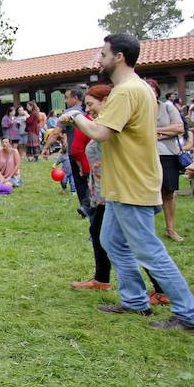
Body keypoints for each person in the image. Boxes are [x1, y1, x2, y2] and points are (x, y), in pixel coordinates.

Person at [58, 33, 194, 334]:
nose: (101, 58)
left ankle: (190, 314)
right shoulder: (139, 88)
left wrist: (75, 116)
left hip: (133, 184)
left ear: (119, 56)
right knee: (112, 241)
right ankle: (135, 300)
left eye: (104, 53)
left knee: (149, 250)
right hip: (126, 183)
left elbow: (101, 132)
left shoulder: (126, 92)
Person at [71, 84, 114, 291]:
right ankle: (101, 279)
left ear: (105, 101)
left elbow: (97, 135)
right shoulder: (99, 123)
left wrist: (75, 117)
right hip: (100, 191)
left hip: (114, 190)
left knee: (137, 243)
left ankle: (161, 290)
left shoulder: (111, 125)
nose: (87, 109)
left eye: (90, 104)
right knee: (98, 233)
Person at [147, 80, 185, 242]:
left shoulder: (168, 107)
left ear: (157, 92)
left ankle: (170, 229)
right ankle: (148, 232)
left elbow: (179, 128)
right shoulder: (141, 109)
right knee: (148, 194)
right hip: (147, 155)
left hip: (167, 154)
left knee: (168, 192)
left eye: (152, 90)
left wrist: (155, 131)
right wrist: (165, 132)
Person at [43, 88, 90, 214]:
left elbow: (55, 132)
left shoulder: (69, 113)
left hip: (75, 151)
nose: (65, 100)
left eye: (67, 97)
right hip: (92, 150)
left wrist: (46, 148)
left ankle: (86, 206)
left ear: (75, 98)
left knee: (80, 181)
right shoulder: (89, 110)